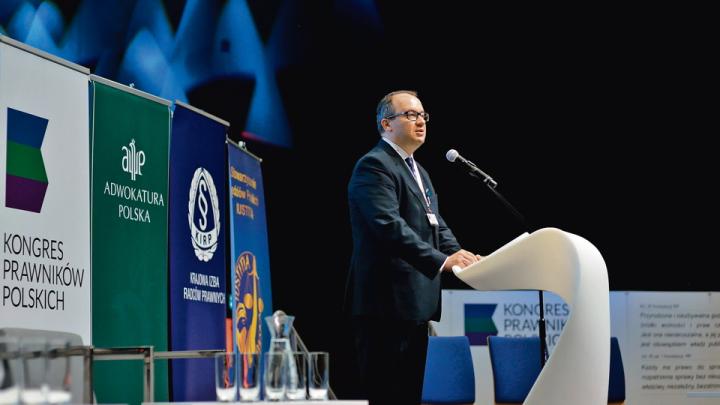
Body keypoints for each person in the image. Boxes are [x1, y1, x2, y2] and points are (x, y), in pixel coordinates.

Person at [344, 90, 482, 405]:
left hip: (414, 306)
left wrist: (460, 256)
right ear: (386, 124)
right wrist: (442, 261)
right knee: (387, 396)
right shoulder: (374, 165)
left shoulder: (419, 171)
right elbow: (389, 227)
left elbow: (436, 225)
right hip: (385, 304)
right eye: (410, 115)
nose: (420, 121)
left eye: (422, 115)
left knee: (408, 396)